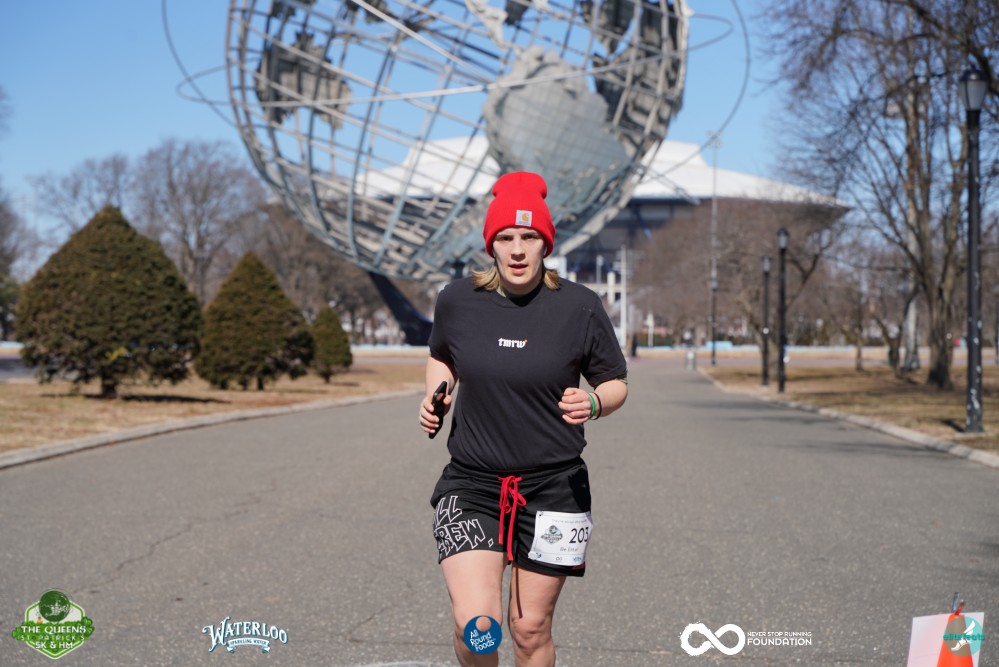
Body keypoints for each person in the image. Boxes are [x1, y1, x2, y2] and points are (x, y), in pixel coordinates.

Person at [418, 171, 629, 667]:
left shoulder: (579, 306)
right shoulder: (457, 300)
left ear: (546, 244)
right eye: (506, 238)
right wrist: (435, 395)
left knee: (530, 629)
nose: (517, 250)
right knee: (478, 627)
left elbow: (615, 382)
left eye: (529, 237)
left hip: (555, 488)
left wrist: (594, 403)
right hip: (472, 484)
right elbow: (441, 355)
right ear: (490, 244)